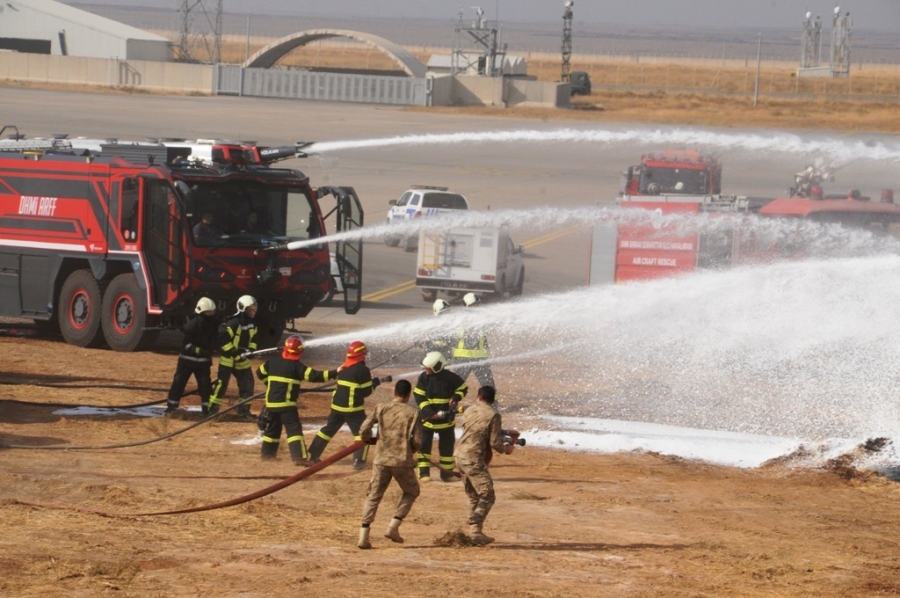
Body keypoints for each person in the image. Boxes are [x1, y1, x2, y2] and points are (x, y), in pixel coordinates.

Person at [356, 379, 423, 549]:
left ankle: (363, 535)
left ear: (394, 392)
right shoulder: (413, 413)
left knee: (374, 496)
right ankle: (393, 526)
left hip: (381, 460)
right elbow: (418, 441)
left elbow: (364, 428)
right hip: (402, 461)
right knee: (411, 491)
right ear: (409, 395)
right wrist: (410, 450)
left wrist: (368, 440)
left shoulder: (381, 407)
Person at [307, 341, 391, 470]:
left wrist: (375, 381)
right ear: (361, 355)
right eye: (364, 354)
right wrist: (375, 383)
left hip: (337, 406)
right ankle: (359, 462)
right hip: (352, 409)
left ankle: (313, 455)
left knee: (328, 430)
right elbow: (366, 391)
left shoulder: (344, 367)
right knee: (363, 433)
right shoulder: (363, 370)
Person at [257, 335, 337, 465]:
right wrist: (336, 372)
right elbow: (316, 376)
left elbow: (259, 373)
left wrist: (270, 386)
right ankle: (299, 458)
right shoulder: (297, 366)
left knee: (272, 430)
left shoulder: (271, 362)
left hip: (271, 404)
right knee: (294, 431)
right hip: (287, 405)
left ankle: (267, 455)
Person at [454, 385, 515, 545]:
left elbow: (477, 428)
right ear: (492, 400)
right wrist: (506, 448)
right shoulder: (493, 415)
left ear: (479, 397)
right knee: (487, 495)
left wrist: (503, 432)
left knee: (473, 496)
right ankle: (475, 527)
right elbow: (494, 442)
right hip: (473, 459)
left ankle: (474, 532)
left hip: (459, 456)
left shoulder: (469, 410)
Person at [413, 351, 467, 482]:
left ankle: (446, 474)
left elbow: (463, 388)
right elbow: (419, 396)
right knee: (424, 446)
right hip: (428, 421)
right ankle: (424, 473)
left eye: (428, 369)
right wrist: (430, 413)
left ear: (437, 367)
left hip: (446, 422)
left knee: (447, 449)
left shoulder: (451, 378)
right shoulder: (423, 378)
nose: (426, 371)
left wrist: (455, 398)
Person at [165, 297, 219, 415]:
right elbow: (186, 344)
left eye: (211, 312)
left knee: (205, 387)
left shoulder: (214, 325)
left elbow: (215, 340)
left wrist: (211, 350)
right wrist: (199, 350)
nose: (210, 315)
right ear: (200, 312)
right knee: (179, 383)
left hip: (203, 363)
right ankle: (171, 408)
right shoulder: (191, 326)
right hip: (187, 361)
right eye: (207, 312)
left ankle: (206, 409)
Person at [208, 295, 258, 418]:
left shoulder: (252, 324)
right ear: (242, 308)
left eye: (254, 309)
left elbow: (254, 339)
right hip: (228, 360)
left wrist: (251, 350)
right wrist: (234, 352)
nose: (252, 312)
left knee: (247, 384)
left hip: (242, 359)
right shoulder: (233, 323)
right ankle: (212, 410)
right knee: (221, 385)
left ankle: (244, 410)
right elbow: (222, 340)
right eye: (250, 309)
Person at [451, 293, 496, 391]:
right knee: (455, 385)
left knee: (488, 384)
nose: (476, 308)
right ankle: (450, 404)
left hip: (480, 357)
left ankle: (493, 404)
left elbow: (492, 328)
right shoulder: (458, 320)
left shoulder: (483, 319)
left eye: (477, 305)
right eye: (473, 305)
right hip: (463, 358)